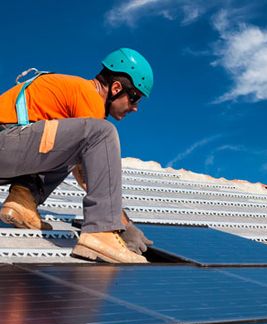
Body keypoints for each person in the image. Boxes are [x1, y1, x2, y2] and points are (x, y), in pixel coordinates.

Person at [0, 48, 154, 263]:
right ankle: (101, 234)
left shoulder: (72, 92)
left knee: (68, 151)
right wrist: (121, 224)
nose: (135, 108)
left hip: (10, 149)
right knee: (102, 133)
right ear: (117, 88)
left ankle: (22, 202)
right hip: (7, 143)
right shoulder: (89, 95)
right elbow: (90, 174)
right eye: (134, 98)